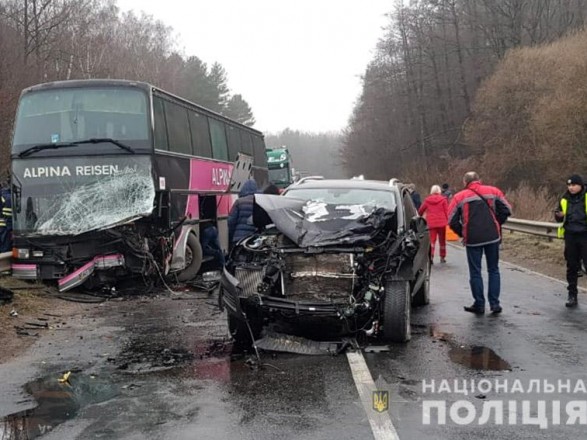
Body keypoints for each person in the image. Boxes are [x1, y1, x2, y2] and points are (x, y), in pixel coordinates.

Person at [448, 171, 512, 315]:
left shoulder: (459, 197)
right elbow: (507, 209)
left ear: (465, 182)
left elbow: (451, 219)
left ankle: (479, 304)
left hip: (472, 239)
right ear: (479, 180)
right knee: (493, 269)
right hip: (492, 236)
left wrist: (462, 232)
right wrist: (497, 223)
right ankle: (495, 303)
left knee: (475, 272)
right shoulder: (493, 191)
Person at [554, 174, 587, 308]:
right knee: (571, 266)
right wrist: (558, 215)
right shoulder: (564, 198)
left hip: (585, 234)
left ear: (581, 185)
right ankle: (572, 295)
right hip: (570, 235)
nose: (571, 188)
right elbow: (558, 216)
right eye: (569, 185)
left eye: (574, 185)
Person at [418, 185, 449, 263]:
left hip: (431, 223)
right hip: (442, 223)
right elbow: (447, 211)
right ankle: (442, 257)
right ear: (439, 191)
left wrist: (420, 216)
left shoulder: (427, 200)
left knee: (432, 241)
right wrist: (448, 221)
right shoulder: (443, 200)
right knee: (442, 241)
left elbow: (421, 210)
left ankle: (431, 256)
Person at [228, 179, 258, 247]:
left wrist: (232, 235)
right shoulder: (259, 202)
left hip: (239, 238)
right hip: (254, 238)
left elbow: (231, 221)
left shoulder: (239, 202)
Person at [0, 184, 12, 253]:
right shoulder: (7, 196)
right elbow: (8, 213)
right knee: (5, 249)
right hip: (4, 227)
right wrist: (10, 228)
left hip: (3, 227)